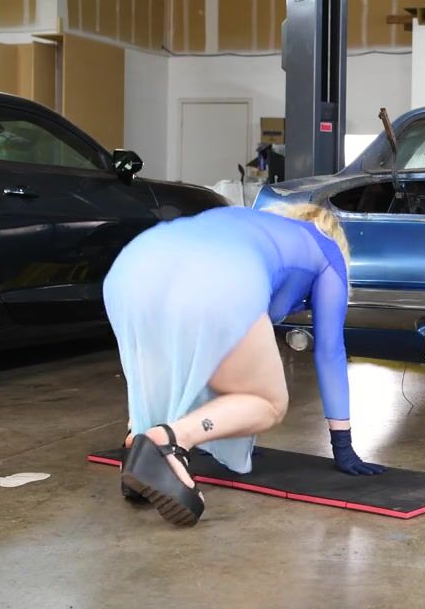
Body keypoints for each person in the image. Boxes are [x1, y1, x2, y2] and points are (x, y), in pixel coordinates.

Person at [104, 203, 384, 527]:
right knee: (268, 402)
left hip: (133, 267)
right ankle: (170, 441)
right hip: (218, 278)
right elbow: (329, 351)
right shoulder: (327, 249)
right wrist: (342, 445)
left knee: (184, 360)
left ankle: (137, 439)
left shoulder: (246, 222)